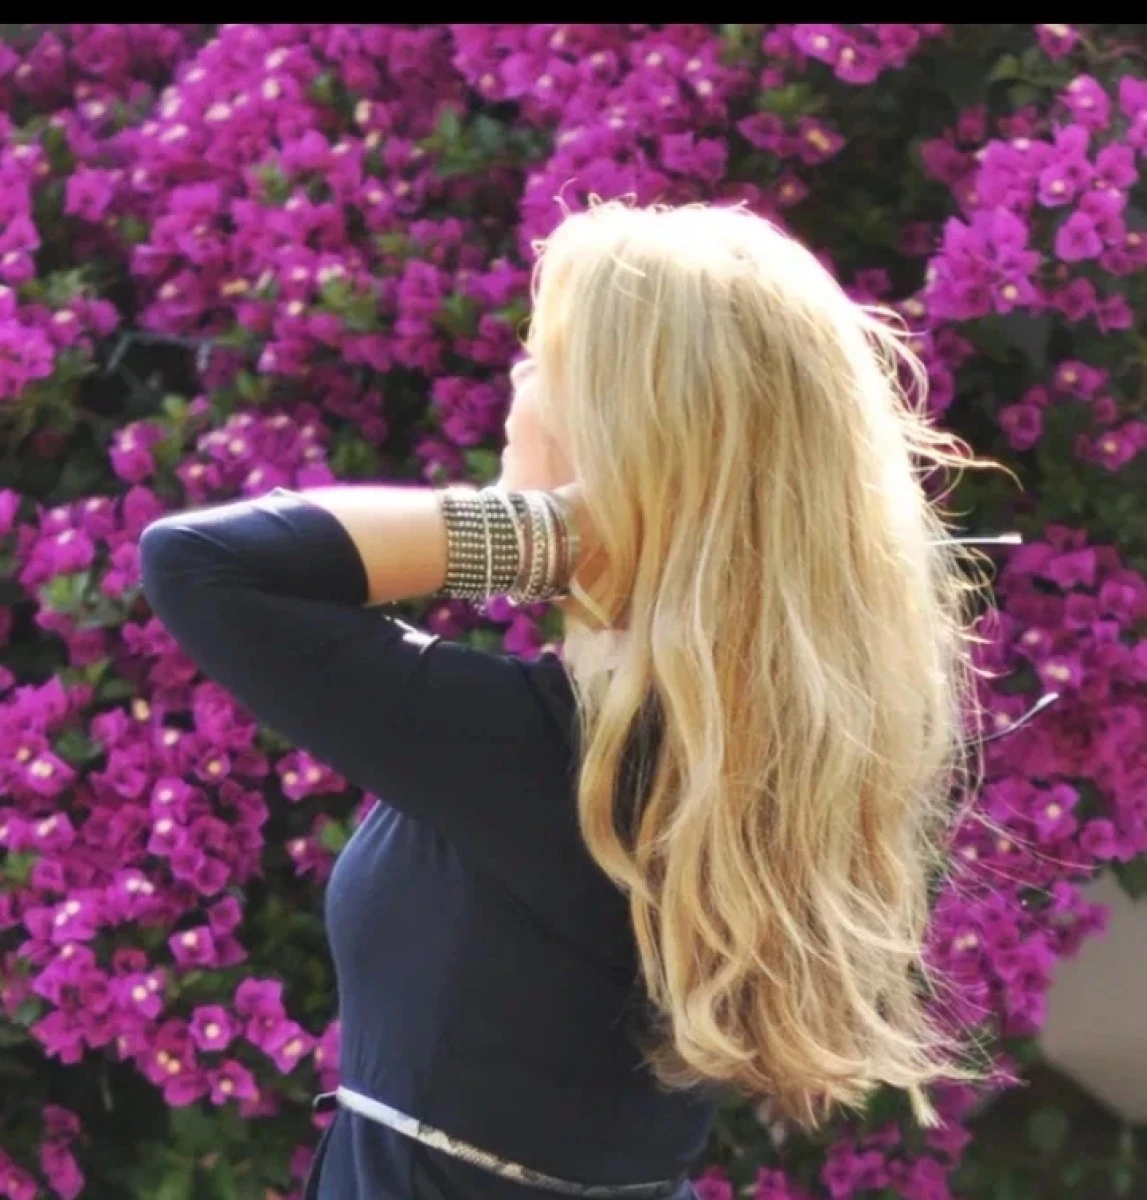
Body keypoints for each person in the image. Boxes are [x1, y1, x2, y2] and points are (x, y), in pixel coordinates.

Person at [139, 200, 1018, 1199]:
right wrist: (644, 526)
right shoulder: (735, 761)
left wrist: (555, 533)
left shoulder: (546, 760)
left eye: (538, 364)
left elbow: (201, 564)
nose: (512, 388)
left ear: (618, 436)